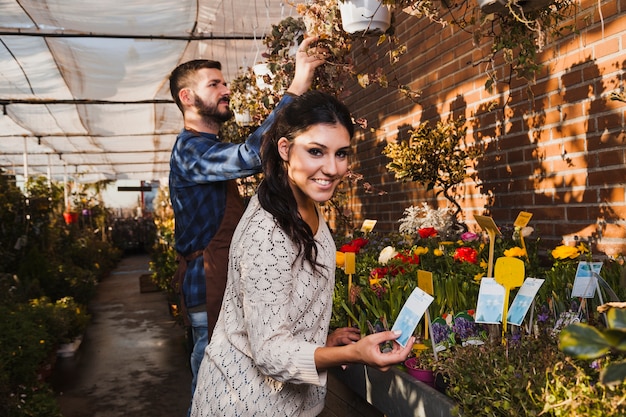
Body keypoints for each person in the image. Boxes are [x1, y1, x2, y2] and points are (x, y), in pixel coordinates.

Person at [190, 90, 415, 417]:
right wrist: (353, 353)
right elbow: (269, 353)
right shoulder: (266, 233)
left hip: (287, 403)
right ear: (285, 148)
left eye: (341, 154)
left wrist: (322, 337)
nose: (332, 168)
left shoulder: (303, 204)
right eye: (316, 151)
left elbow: (277, 310)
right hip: (244, 403)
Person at [168, 35, 326, 409]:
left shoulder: (204, 147)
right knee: (213, 379)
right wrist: (298, 83)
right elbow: (252, 154)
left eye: (223, 83)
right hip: (207, 281)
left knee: (227, 375)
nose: (226, 90)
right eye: (214, 84)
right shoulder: (190, 150)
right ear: (187, 98)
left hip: (220, 279)